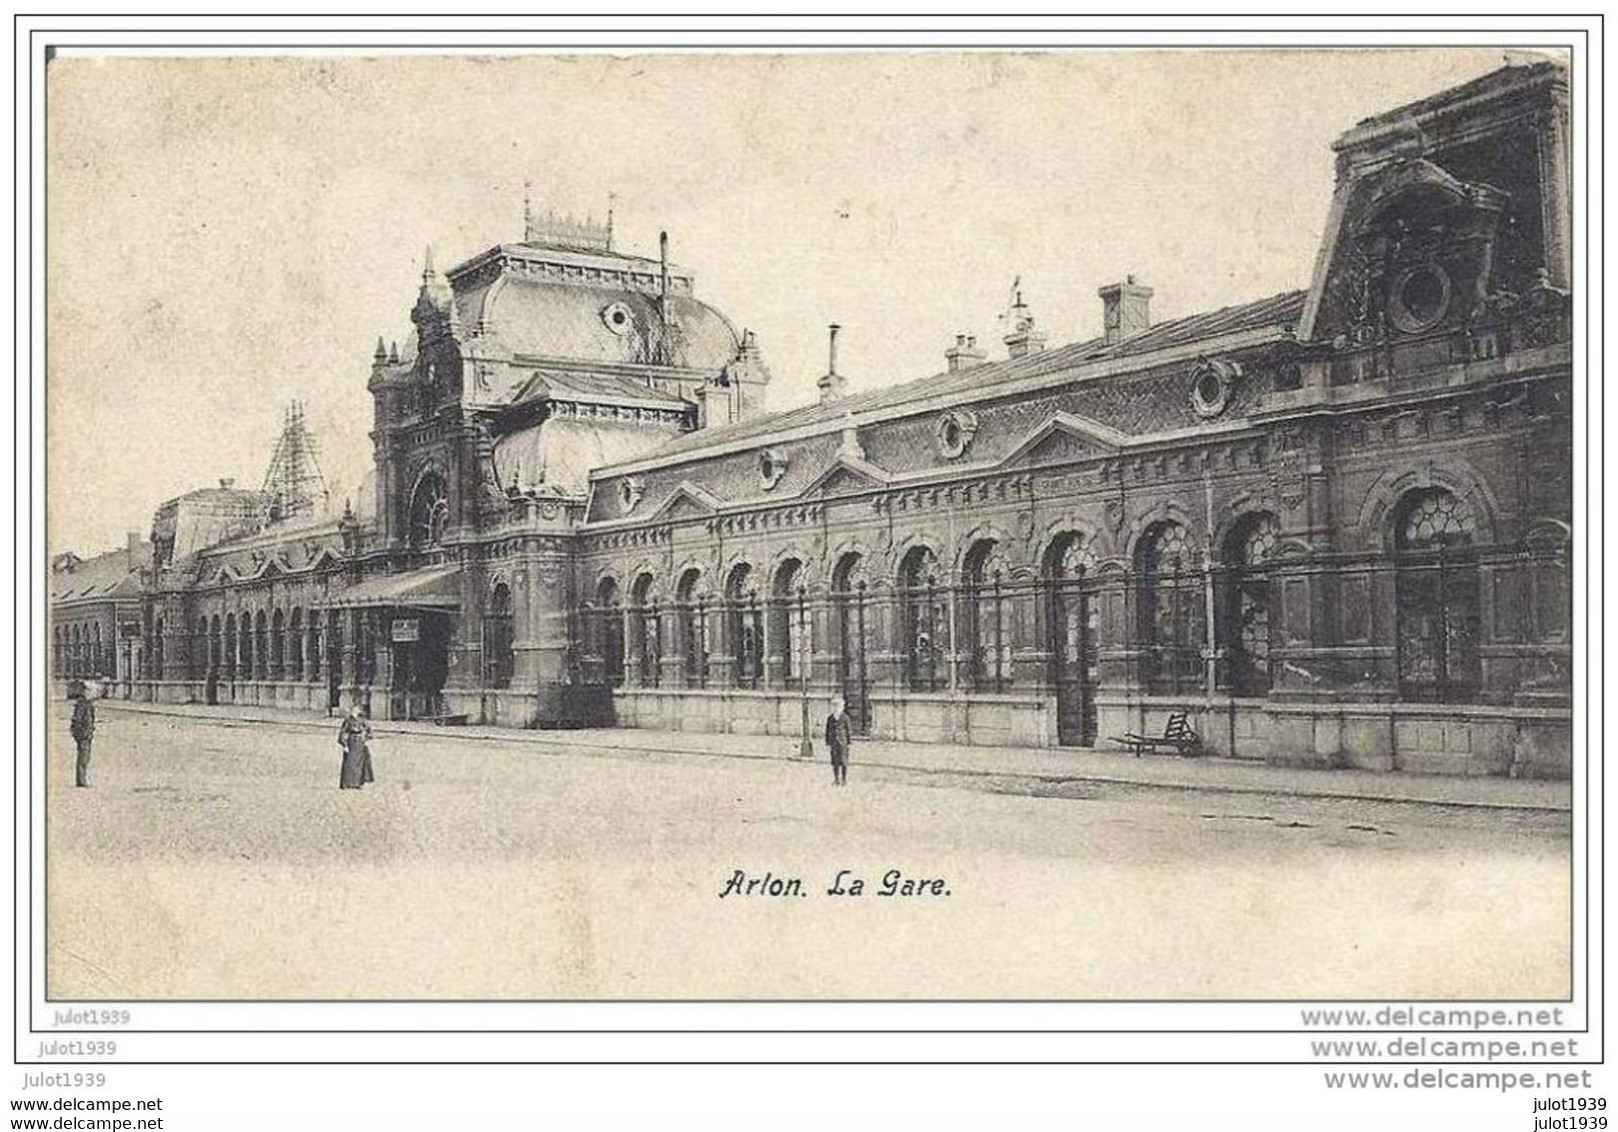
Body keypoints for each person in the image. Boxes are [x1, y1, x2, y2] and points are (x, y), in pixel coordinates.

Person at [337, 704, 374, 790]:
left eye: (357, 710)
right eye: (355, 709)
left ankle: (357, 783)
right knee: (349, 764)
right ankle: (347, 783)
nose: (356, 711)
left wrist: (365, 738)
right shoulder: (348, 720)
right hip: (351, 743)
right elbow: (343, 732)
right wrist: (344, 744)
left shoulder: (362, 720)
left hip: (360, 744)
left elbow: (369, 731)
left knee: (359, 764)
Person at [68, 680, 96, 788]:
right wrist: (82, 733)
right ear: (86, 692)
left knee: (85, 756)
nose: (94, 694)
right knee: (83, 757)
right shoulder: (82, 704)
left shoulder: (86, 703)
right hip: (83, 734)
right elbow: (78, 720)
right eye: (92, 692)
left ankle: (81, 779)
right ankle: (81, 780)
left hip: (86, 733)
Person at [825, 695, 852, 786]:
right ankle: (836, 779)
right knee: (835, 762)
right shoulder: (830, 718)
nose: (836, 708)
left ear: (842, 707)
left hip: (843, 742)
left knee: (844, 761)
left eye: (838, 706)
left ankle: (844, 779)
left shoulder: (845, 718)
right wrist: (828, 742)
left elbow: (848, 730)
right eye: (834, 706)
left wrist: (849, 742)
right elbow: (828, 730)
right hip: (833, 742)